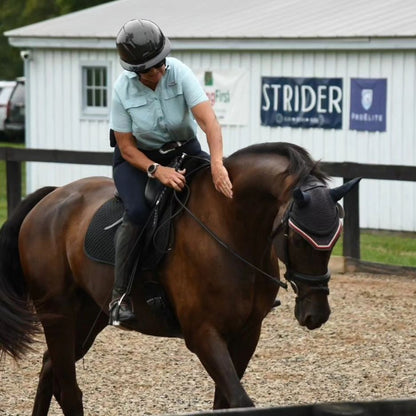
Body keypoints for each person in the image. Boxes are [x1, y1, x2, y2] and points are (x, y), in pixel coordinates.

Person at [109, 18, 233, 325]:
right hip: (138, 159)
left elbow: (208, 123)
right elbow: (125, 147)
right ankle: (120, 296)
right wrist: (156, 170)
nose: (160, 70)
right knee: (137, 211)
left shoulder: (179, 72)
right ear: (136, 72)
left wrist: (217, 163)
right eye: (152, 68)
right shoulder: (121, 91)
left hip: (184, 148)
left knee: (220, 194)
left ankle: (241, 280)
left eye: (161, 62)